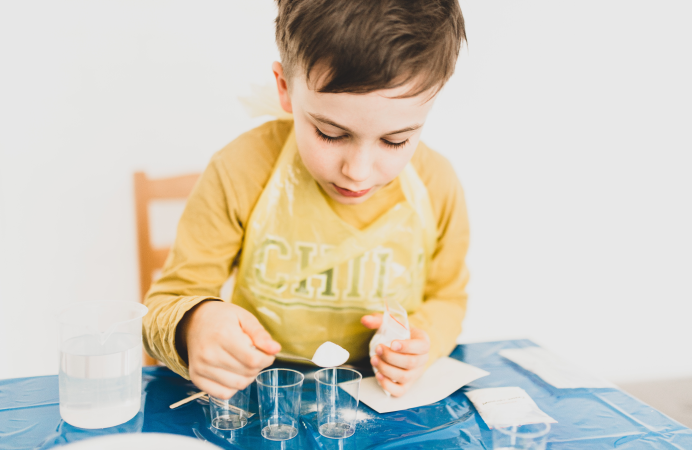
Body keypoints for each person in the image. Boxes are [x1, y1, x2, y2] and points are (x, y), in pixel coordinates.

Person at [143, 0, 469, 399]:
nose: (358, 170)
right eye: (331, 133)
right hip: (265, 393)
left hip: (378, 396)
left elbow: (448, 298)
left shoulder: (437, 184)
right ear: (285, 89)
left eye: (395, 140)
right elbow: (162, 307)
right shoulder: (241, 170)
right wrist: (193, 323)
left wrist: (425, 340)